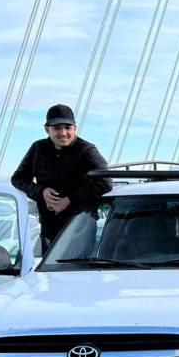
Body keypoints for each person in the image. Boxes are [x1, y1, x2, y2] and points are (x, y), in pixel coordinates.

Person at [11, 104, 112, 252]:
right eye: (57, 128)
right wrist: (41, 192)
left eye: (67, 127)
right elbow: (18, 178)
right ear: (47, 129)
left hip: (80, 229)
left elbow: (106, 182)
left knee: (76, 273)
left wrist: (69, 200)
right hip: (48, 230)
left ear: (75, 128)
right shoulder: (38, 148)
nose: (63, 132)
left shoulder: (87, 150)